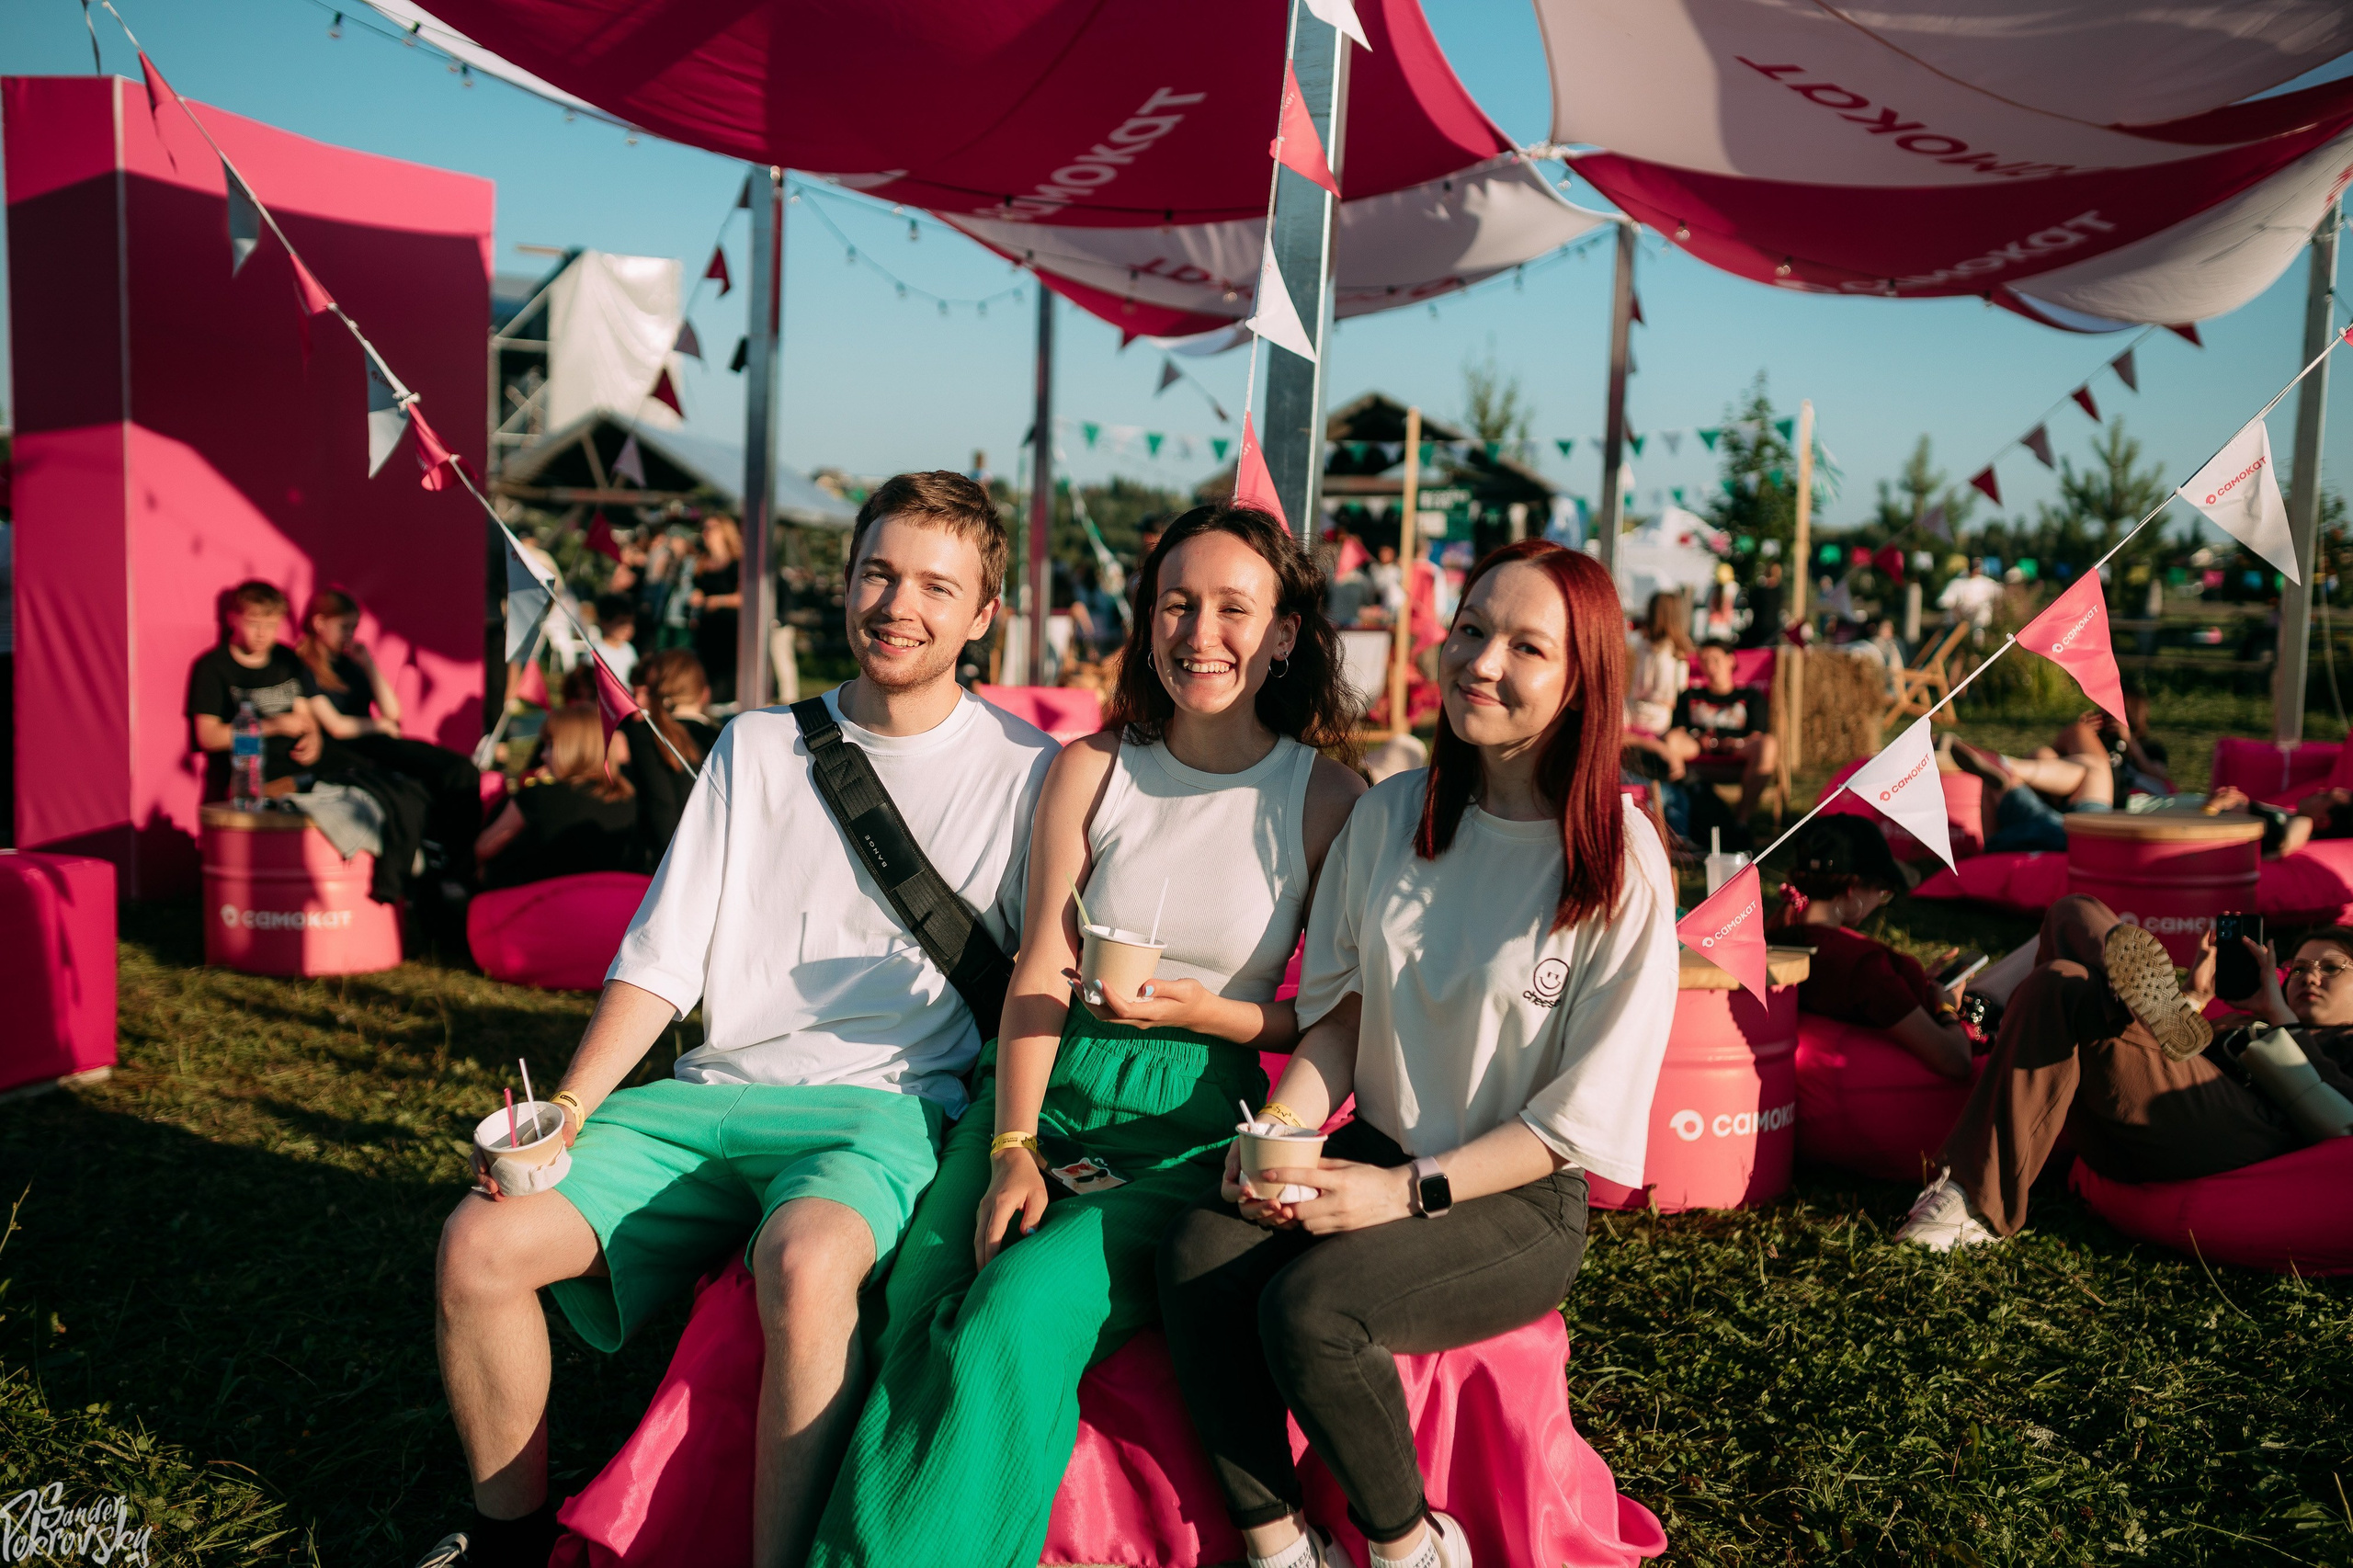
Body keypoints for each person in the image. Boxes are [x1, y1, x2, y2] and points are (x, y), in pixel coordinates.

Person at [422, 472, 1056, 1568]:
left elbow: (1049, 972)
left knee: (808, 1264)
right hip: (706, 1100)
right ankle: (506, 1539)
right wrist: (569, 1106)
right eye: (878, 573)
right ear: (846, 581)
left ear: (983, 614)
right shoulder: (756, 745)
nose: (897, 605)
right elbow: (660, 960)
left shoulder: (1030, 774)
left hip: (883, 1112)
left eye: (934, 587)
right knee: (476, 1244)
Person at [807, 502, 1368, 1568]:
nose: (1199, 632)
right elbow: (1041, 972)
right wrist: (1013, 1147)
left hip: (1193, 1119)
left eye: (1233, 609)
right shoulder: (1090, 767)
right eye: (1176, 603)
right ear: (1146, 619)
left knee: (1011, 1310)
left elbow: (1333, 1013)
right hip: (1040, 1084)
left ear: (1286, 633)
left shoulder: (1329, 797)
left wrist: (1208, 1011)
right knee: (915, 1293)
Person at [1157, 540, 1680, 1568]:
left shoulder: (1621, 862)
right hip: (1377, 1146)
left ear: (1583, 682)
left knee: (1311, 1309)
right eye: (1473, 629)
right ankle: (1278, 1546)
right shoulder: (1392, 813)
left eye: (1526, 645)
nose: (1481, 662)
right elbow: (1344, 1018)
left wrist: (1403, 1196)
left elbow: (1571, 1122)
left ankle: (1409, 1546)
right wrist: (1282, 1132)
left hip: (1518, 1198)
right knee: (1197, 1252)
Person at [1898, 900, 2353, 1250]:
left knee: (2072, 935)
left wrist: (2278, 1015)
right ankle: (1971, 1200)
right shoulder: (2233, 1019)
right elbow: (2167, 1066)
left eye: (2330, 967)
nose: (2309, 976)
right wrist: (2195, 996)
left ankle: (1974, 1197)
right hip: (2152, 1124)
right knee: (2061, 956)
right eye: (2299, 968)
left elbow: (2341, 1116)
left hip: (2249, 1132)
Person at [296, 587, 483, 890]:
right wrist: (379, 727)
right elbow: (337, 727)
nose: (350, 635)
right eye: (344, 627)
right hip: (351, 748)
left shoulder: (349, 665)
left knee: (460, 770)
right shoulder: (304, 666)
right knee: (445, 774)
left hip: (377, 739)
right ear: (319, 624)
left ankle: (461, 861)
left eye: (354, 628)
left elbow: (393, 711)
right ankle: (455, 865)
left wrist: (368, 664)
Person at [1768, 818, 1975, 1080]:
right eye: (1882, 891)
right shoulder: (1862, 965)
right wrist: (1947, 1008)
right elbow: (1955, 1061)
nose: (1880, 900)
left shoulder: (1780, 936)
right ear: (1852, 889)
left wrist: (1913, 984)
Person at [473, 705, 641, 889]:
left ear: (574, 748)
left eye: (551, 745)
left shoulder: (540, 796)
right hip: (613, 905)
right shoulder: (630, 797)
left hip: (542, 903)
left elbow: (484, 848)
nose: (543, 755)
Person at [186, 581, 324, 799]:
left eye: (270, 625)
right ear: (233, 619)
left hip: (303, 770)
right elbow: (209, 737)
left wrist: (314, 738)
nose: (262, 634)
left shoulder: (286, 659)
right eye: (253, 624)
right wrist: (274, 726)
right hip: (250, 779)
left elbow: (305, 714)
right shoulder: (212, 667)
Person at [620, 648, 722, 866]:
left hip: (667, 861)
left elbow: (661, 805)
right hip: (717, 855)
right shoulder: (723, 737)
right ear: (704, 694)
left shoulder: (646, 736)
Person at [1667, 639, 1779, 821]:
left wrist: (1734, 743)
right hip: (1696, 751)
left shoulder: (1751, 696)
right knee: (1671, 740)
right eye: (1704, 661)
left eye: (1715, 660)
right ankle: (1682, 815)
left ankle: (1741, 820)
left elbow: (1757, 735)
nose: (1710, 666)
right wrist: (1697, 738)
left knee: (1768, 744)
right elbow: (1678, 731)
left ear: (1731, 661)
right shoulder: (1689, 695)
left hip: (1738, 751)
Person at [689, 514, 745, 705]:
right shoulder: (702, 562)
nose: (705, 533)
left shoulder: (737, 562)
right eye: (704, 528)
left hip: (729, 628)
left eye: (711, 528)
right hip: (707, 629)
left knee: (726, 679)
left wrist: (718, 601)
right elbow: (700, 587)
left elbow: (745, 597)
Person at [1623, 589, 1690, 737]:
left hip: (1653, 716)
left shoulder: (1662, 653)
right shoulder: (1668, 651)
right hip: (1648, 712)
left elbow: (1662, 696)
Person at [1938, 558, 2003, 645]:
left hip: (1979, 617)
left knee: (1984, 610)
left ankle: (1978, 640)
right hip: (1961, 616)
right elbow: (1944, 600)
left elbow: (2000, 592)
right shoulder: (1958, 582)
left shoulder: (1986, 582)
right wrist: (1954, 608)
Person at [590, 592, 640, 687]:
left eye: (631, 623)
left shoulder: (629, 650)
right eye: (622, 623)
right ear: (604, 623)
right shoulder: (597, 651)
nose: (628, 628)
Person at [1735, 560, 1783, 650]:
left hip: (1759, 628)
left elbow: (1751, 603)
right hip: (1773, 629)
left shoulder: (1759, 591)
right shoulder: (1779, 592)